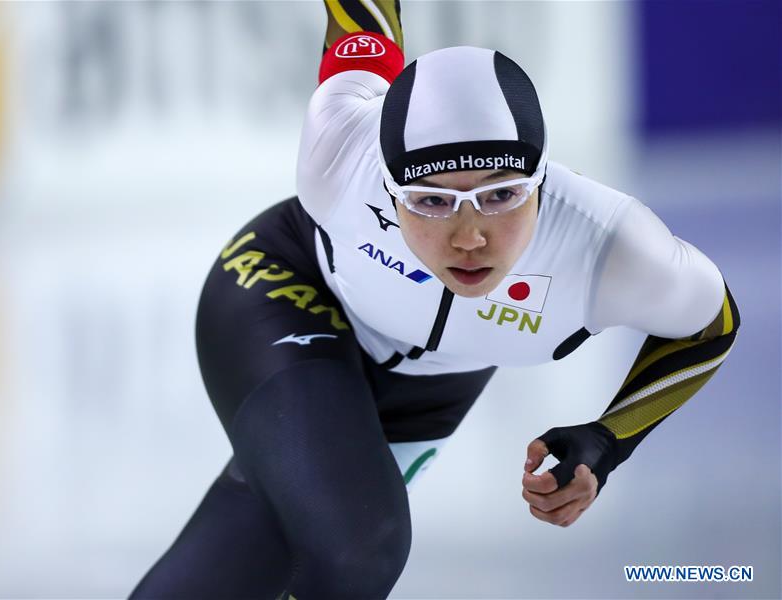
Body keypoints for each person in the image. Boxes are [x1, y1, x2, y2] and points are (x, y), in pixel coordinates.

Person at [130, 2, 740, 598]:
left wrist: (610, 438)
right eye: (430, 201)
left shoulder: (610, 248)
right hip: (288, 293)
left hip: (430, 388)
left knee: (270, 549)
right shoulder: (343, 143)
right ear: (386, 185)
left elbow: (710, 326)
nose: (469, 237)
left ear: (542, 180)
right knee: (360, 547)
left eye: (501, 195)